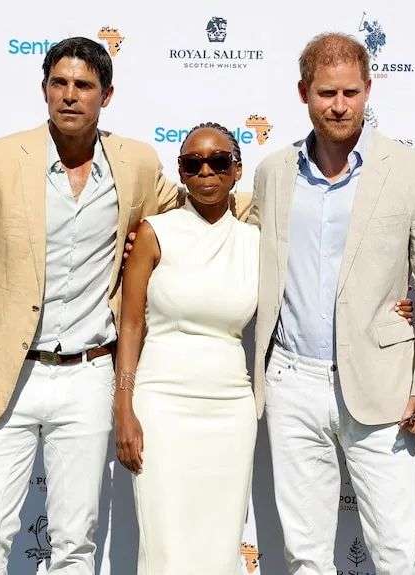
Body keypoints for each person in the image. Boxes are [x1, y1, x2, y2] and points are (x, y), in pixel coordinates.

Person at [0, 37, 179, 574]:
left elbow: (188, 208)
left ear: (107, 95)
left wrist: (271, 204)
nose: (69, 95)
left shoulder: (135, 163)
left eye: (83, 85)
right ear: (44, 89)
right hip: (8, 372)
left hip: (90, 374)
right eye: (59, 83)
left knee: (76, 543)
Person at [249, 33, 415, 574]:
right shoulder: (273, 172)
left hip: (383, 383)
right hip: (291, 379)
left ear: (368, 89)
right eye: (326, 93)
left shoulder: (412, 171)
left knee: (397, 552)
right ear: (303, 93)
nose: (339, 106)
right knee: (304, 553)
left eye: (350, 92)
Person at [113, 123, 258, 574]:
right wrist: (124, 408)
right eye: (193, 164)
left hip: (231, 408)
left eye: (219, 161)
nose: (206, 172)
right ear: (181, 172)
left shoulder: (256, 241)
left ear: (237, 170)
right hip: (162, 404)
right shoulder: (154, 233)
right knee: (166, 546)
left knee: (221, 544)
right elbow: (130, 325)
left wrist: (396, 307)